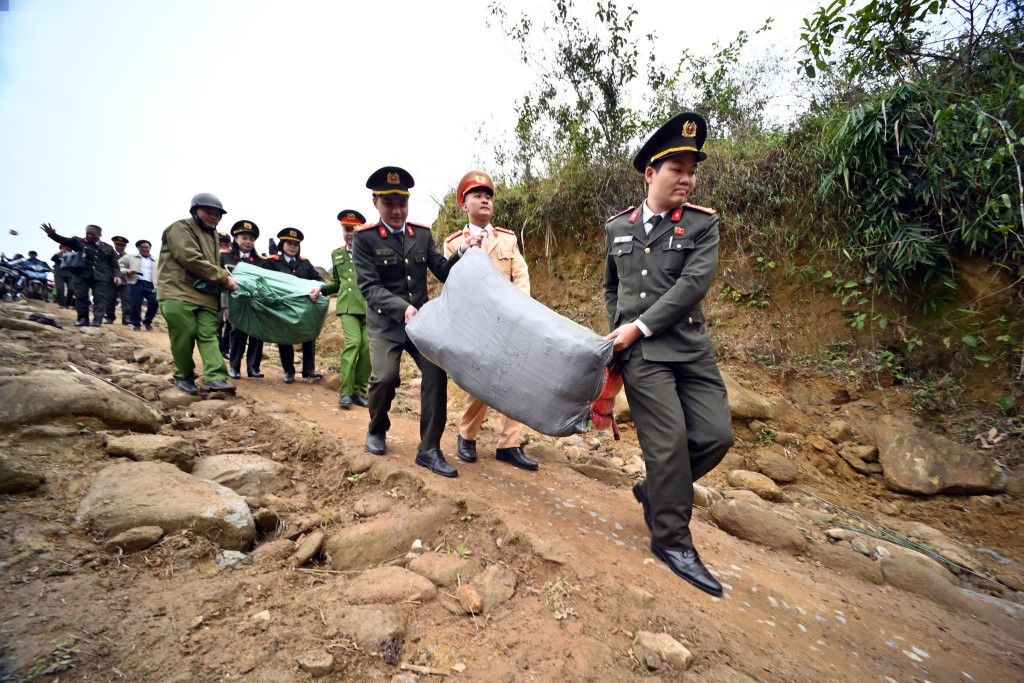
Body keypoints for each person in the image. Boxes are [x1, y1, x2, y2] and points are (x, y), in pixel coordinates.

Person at [603, 112, 734, 597]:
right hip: (643, 357)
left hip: (689, 347)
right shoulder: (617, 228)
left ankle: (655, 490)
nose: (687, 178)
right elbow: (612, 287)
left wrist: (636, 326)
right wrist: (620, 332)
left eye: (691, 170)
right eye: (677, 169)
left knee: (717, 436)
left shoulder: (702, 225)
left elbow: (692, 285)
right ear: (650, 174)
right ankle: (672, 540)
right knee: (667, 446)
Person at [353, 166, 479, 478]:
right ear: (376, 204)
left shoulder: (420, 234)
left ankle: (429, 450)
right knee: (385, 378)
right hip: (386, 324)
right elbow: (369, 288)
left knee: (436, 374)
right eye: (389, 204)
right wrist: (402, 307)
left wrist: (461, 253)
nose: (397, 211)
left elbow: (443, 271)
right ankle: (377, 429)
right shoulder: (366, 239)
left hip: (421, 324)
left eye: (402, 204)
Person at [442, 171, 538, 472]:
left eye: (488, 195)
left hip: (510, 320)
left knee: (516, 381)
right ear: (463, 205)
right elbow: (453, 283)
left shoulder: (507, 239)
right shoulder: (454, 243)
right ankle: (467, 436)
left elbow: (521, 274)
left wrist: (519, 306)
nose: (484, 199)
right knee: (482, 384)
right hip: (478, 325)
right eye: (476, 195)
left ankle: (509, 444)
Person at [156, 193, 237, 395]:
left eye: (217, 214)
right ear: (195, 210)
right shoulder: (180, 228)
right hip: (177, 291)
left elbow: (212, 265)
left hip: (207, 296)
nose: (213, 217)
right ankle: (184, 376)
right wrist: (223, 277)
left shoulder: (213, 237)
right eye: (208, 212)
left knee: (210, 335)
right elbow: (190, 257)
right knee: (184, 334)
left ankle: (216, 377)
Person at [321, 210, 371, 409]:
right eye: (347, 229)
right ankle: (346, 392)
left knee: (368, 349)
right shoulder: (337, 254)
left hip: (369, 307)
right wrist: (322, 289)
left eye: (354, 230)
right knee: (353, 344)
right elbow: (338, 283)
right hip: (349, 307)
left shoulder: (371, 252)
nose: (350, 233)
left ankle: (359, 391)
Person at [262, 228, 324, 384]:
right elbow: (264, 281)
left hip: (304, 308)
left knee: (309, 336)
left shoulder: (305, 263)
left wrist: (319, 289)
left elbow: (318, 280)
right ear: (282, 244)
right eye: (289, 243)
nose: (293, 247)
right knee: (284, 338)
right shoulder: (272, 262)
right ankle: (289, 370)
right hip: (283, 306)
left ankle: (308, 369)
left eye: (296, 244)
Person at [40, 223, 121, 327]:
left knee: (100, 298)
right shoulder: (79, 242)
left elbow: (114, 264)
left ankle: (97, 319)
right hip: (81, 274)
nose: (89, 236)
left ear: (99, 235)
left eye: (92, 234)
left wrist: (117, 276)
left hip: (101, 276)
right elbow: (64, 240)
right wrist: (53, 235)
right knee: (81, 296)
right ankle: (82, 319)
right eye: (87, 233)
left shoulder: (108, 248)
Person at [221, 220, 265, 379]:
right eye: (244, 238)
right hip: (235, 303)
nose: (248, 242)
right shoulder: (225, 257)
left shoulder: (261, 261)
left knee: (257, 334)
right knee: (237, 332)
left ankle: (253, 367)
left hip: (256, 303)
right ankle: (235, 366)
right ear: (236, 238)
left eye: (251, 239)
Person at [120, 239, 158, 331]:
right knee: (135, 304)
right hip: (135, 283)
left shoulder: (156, 260)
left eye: (146, 247)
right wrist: (128, 271)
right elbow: (119, 266)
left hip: (151, 284)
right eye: (142, 247)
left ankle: (147, 321)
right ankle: (136, 324)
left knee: (155, 302)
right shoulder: (129, 257)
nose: (144, 249)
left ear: (150, 248)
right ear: (138, 248)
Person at [106, 236, 131, 324]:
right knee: (110, 299)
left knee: (126, 300)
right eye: (117, 244)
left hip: (124, 281)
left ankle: (126, 318)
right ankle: (110, 317)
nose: (119, 247)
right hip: (111, 280)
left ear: (125, 246)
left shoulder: (129, 257)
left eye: (122, 245)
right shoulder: (109, 254)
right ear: (114, 245)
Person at [217, 233, 233, 358]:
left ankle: (225, 348)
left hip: (229, 292)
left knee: (229, 322)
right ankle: (217, 348)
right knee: (218, 322)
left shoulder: (232, 255)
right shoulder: (211, 254)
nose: (224, 243)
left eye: (226, 241)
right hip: (216, 292)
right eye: (221, 241)